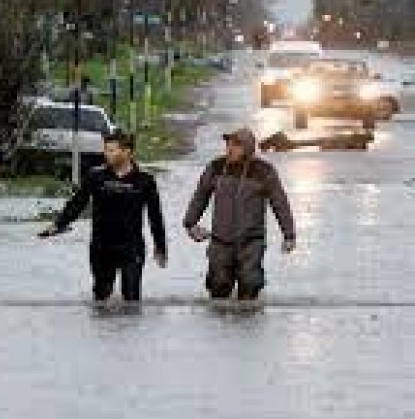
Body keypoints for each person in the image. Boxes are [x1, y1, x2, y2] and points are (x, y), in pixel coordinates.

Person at [40, 130, 167, 302]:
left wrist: (160, 247)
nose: (106, 154)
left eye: (111, 150)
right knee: (101, 297)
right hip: (101, 247)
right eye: (106, 150)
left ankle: (130, 328)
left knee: (132, 300)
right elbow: (77, 203)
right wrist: (59, 224)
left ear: (127, 152)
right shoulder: (95, 177)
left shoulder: (144, 181)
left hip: (131, 247)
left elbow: (155, 216)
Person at [183, 127, 296, 301]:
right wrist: (190, 224)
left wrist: (288, 235)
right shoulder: (216, 167)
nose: (230, 148)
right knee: (218, 287)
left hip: (251, 241)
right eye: (228, 144)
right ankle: (220, 325)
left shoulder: (264, 171)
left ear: (248, 148)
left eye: (236, 145)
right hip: (220, 240)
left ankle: (248, 321)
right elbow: (200, 196)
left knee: (250, 286)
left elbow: (279, 203)